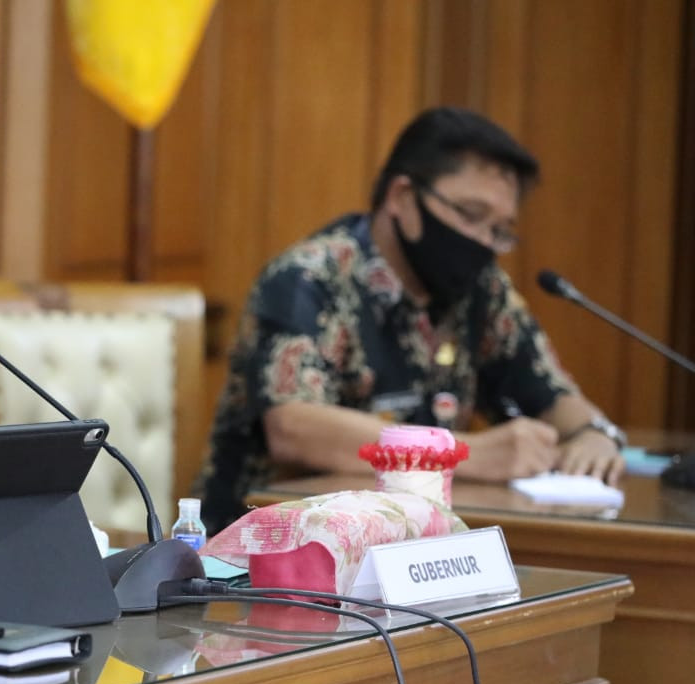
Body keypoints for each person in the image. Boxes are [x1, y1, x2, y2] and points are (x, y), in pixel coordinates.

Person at [196, 106, 625, 534]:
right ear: (402, 197)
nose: (482, 243)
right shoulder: (310, 277)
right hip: (261, 551)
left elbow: (552, 394)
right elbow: (293, 426)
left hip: (404, 548)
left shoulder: (481, 291)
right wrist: (469, 453)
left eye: (500, 230)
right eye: (471, 215)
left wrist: (593, 434)